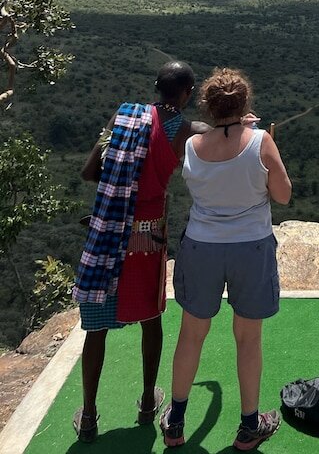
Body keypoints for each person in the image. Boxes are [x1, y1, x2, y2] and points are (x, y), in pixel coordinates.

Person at [161, 67, 292, 451]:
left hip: (201, 246)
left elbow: (215, 149)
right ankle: (249, 426)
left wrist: (234, 125)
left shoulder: (191, 146)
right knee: (248, 340)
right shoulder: (261, 142)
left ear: (208, 105)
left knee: (191, 334)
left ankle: (176, 420)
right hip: (250, 247)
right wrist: (258, 138)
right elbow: (283, 195)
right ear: (245, 103)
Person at [72, 61, 199, 442]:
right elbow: (216, 133)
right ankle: (147, 403)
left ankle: (90, 415)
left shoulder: (124, 116)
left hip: (110, 228)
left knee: (96, 326)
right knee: (151, 315)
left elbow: (89, 171)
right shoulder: (185, 128)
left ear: (157, 87)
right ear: (187, 93)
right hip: (148, 234)